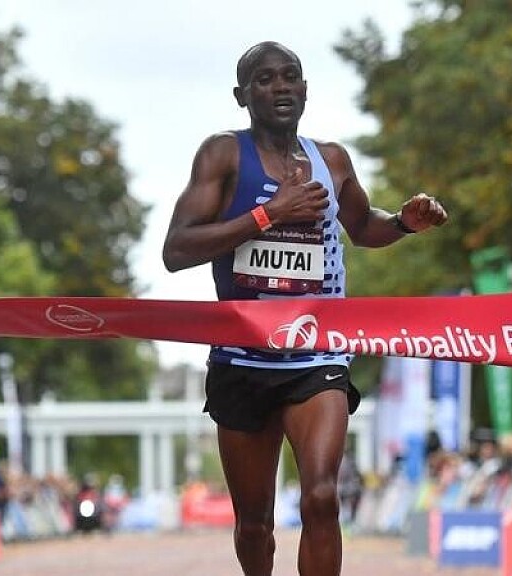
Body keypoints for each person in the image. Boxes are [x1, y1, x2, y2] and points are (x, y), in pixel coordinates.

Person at [162, 41, 448, 576]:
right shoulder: (223, 156)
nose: (281, 87)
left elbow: (362, 226)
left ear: (306, 88)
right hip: (243, 357)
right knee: (254, 524)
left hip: (316, 354)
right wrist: (268, 214)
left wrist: (404, 223)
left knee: (321, 497)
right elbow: (176, 250)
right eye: (265, 78)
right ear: (242, 95)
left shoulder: (331, 160)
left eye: (290, 76)